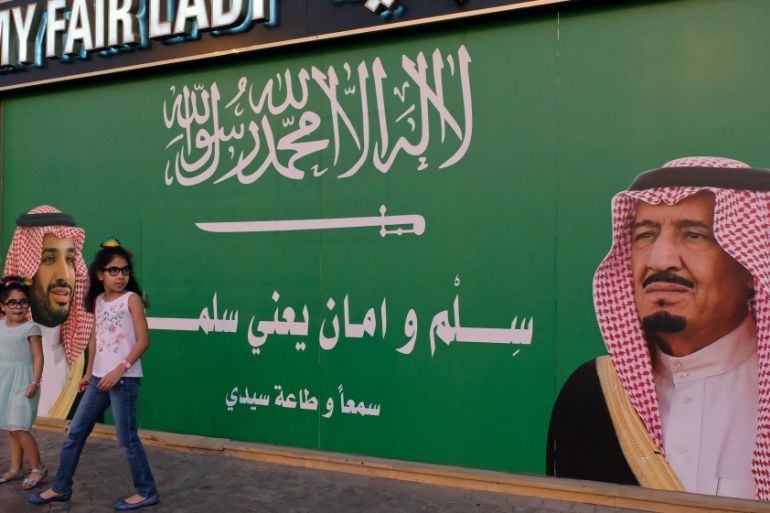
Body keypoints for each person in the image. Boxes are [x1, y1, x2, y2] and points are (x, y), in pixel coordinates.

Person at [546, 156, 770, 501]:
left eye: (694, 235)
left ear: (749, 265)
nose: (660, 260)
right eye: (645, 235)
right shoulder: (594, 393)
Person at [28, 239, 158, 510]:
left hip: (124, 380)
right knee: (75, 433)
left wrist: (119, 370)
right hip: (99, 378)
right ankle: (61, 488)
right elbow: (95, 341)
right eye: (114, 270)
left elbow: (143, 341)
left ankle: (146, 491)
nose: (120, 276)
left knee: (127, 439)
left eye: (125, 271)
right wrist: (88, 374)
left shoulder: (131, 300)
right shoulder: (99, 301)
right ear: (101, 274)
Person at [3, 205, 93, 418]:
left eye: (70, 260)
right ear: (25, 272)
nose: (65, 275)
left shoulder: (84, 360)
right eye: (49, 259)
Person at [0, 276, 47, 490]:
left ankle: (38, 468)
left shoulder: (31, 328)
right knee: (12, 427)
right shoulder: (0, 326)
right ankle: (16, 468)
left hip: (24, 382)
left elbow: (38, 356)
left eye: (23, 302)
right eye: (12, 302)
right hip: (5, 381)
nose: (18, 307)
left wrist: (35, 381)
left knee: (19, 427)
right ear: (3, 306)